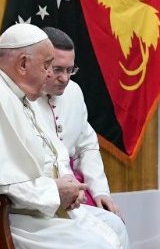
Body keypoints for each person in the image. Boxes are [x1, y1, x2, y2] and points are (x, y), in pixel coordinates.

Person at [0, 23, 128, 249]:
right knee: (95, 244)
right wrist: (55, 192)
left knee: (114, 226)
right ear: (22, 64)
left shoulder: (14, 94)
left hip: (14, 208)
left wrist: (67, 188)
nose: (51, 74)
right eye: (47, 66)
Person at [37, 27, 122, 216]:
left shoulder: (74, 91)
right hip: (46, 191)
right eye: (57, 69)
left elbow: (87, 146)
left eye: (70, 70)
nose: (65, 78)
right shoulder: (24, 96)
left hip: (77, 187)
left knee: (112, 219)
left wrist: (100, 190)